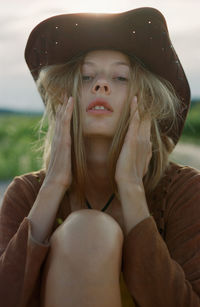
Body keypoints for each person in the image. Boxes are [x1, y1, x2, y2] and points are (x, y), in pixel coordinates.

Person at [0, 7, 200, 307]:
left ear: (146, 100)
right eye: (85, 76)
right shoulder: (25, 194)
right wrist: (52, 186)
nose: (101, 85)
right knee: (87, 228)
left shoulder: (185, 191)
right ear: (63, 98)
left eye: (120, 77)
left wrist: (132, 190)